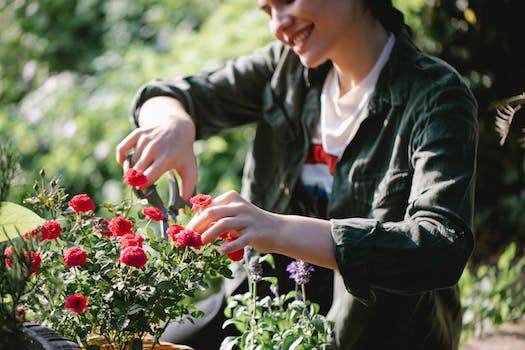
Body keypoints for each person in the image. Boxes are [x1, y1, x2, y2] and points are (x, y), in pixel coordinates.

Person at [116, 0, 478, 349]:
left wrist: (276, 230)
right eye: (268, 11)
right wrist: (173, 124)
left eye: (288, 1)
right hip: (258, 309)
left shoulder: (435, 95)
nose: (278, 25)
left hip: (373, 332)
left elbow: (439, 246)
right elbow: (169, 95)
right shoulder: (284, 68)